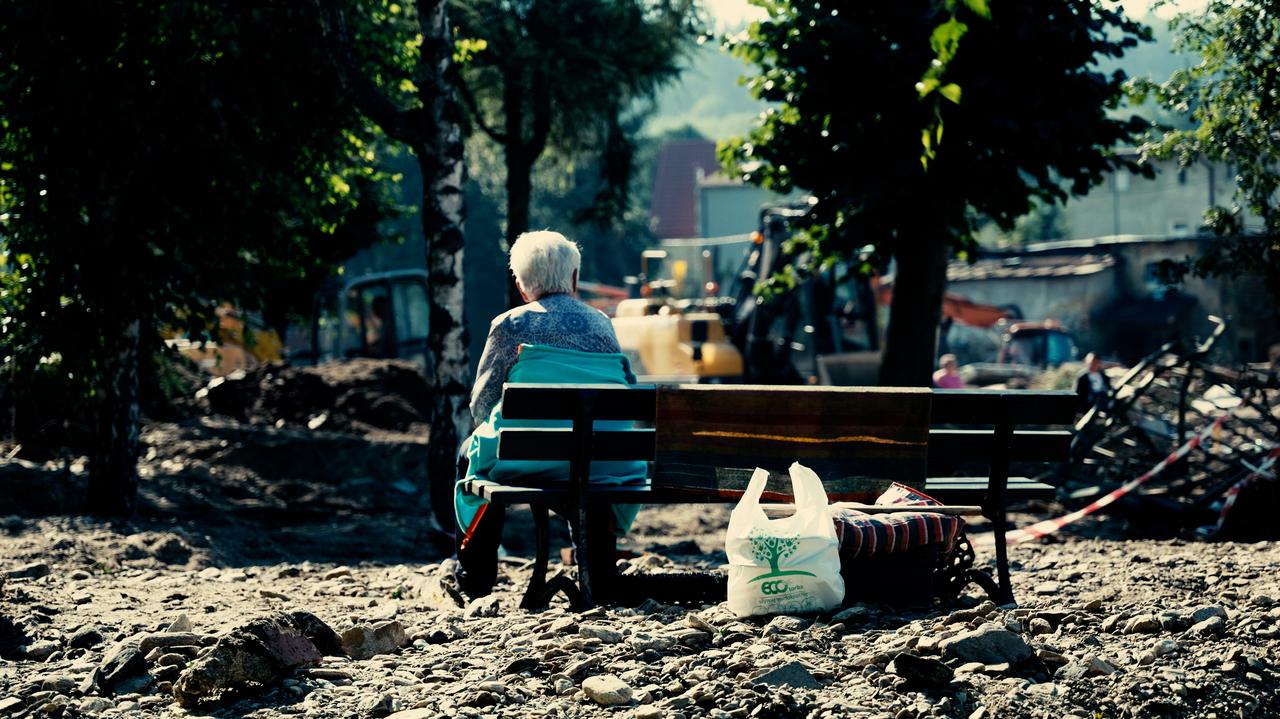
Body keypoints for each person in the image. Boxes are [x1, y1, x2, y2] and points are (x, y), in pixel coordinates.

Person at [454, 230, 646, 598]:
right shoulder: (602, 324)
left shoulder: (509, 325)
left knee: (469, 454)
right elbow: (627, 394)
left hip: (525, 459)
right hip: (604, 462)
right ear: (574, 278)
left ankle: (474, 575)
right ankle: (599, 568)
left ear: (522, 285)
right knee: (590, 460)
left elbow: (481, 407)